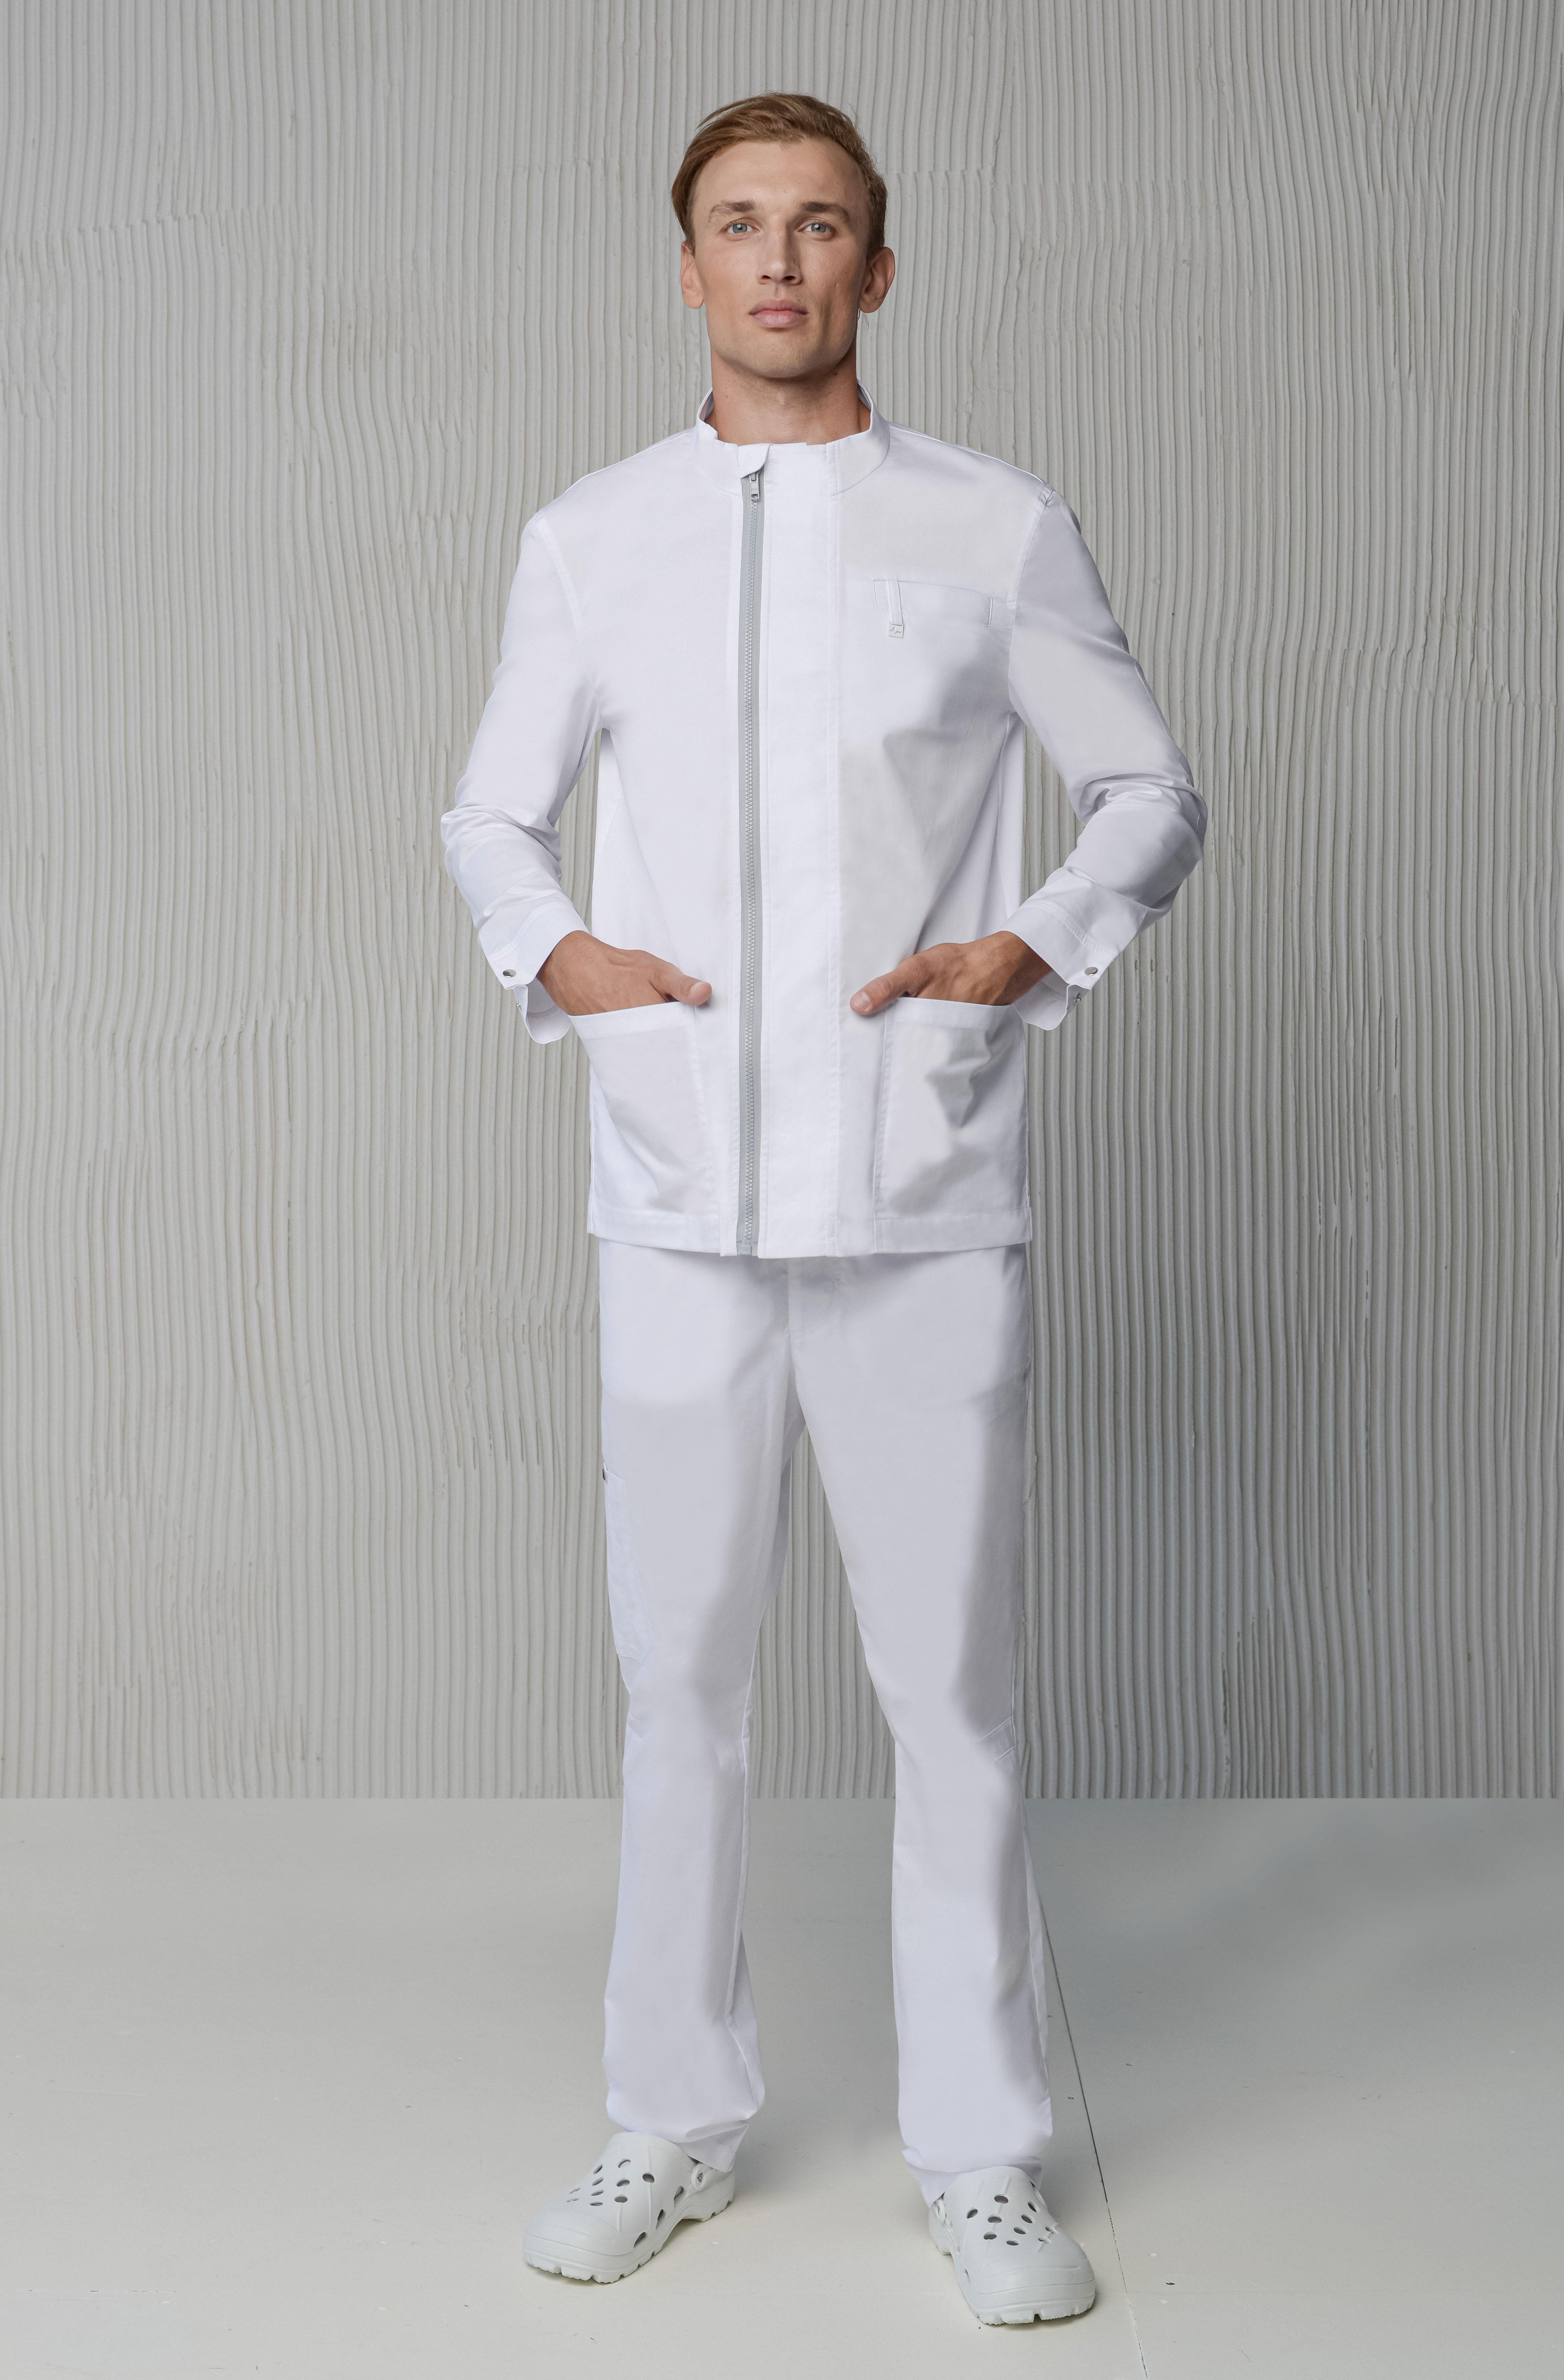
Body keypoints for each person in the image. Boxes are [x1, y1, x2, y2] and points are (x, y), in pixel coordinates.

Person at [440, 91, 1204, 2329]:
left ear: (879, 265)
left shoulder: (990, 527)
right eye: (740, 224)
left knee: (945, 1686)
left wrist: (1026, 946)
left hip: (921, 1183)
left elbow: (1145, 787)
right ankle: (669, 2120)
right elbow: (489, 818)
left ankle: (980, 2151)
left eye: (821, 225)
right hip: (675, 1192)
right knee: (678, 1679)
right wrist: (563, 959)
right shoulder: (591, 537)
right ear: (685, 265)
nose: (778, 260)